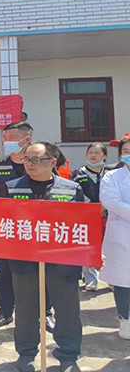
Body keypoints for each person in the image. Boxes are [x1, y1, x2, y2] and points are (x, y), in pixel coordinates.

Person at [2, 141, 85, 372]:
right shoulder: (11, 188)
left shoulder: (72, 189)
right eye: (26, 159)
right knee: (26, 310)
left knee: (67, 311)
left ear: (52, 162)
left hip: (63, 261)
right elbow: (2, 221)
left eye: (36, 159)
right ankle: (26, 353)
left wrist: (94, 253)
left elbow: (83, 225)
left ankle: (68, 355)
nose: (30, 164)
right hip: (24, 260)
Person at [0, 122, 33, 329]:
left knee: (39, 271)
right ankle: (5, 311)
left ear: (27, 139)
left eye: (12, 137)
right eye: (5, 137)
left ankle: (45, 313)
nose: (6, 141)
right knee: (4, 271)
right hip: (6, 227)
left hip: (34, 228)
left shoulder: (39, 163)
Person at [70, 142, 114, 291]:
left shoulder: (111, 172)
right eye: (91, 152)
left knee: (110, 245)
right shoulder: (78, 174)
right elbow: (76, 193)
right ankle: (90, 279)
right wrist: (93, 206)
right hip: (87, 215)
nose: (93, 155)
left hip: (110, 213)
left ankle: (111, 279)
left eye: (97, 153)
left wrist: (105, 205)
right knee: (88, 245)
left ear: (105, 156)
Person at [100, 136, 130, 340]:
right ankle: (125, 320)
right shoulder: (111, 177)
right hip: (122, 235)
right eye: (126, 151)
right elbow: (110, 201)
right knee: (123, 280)